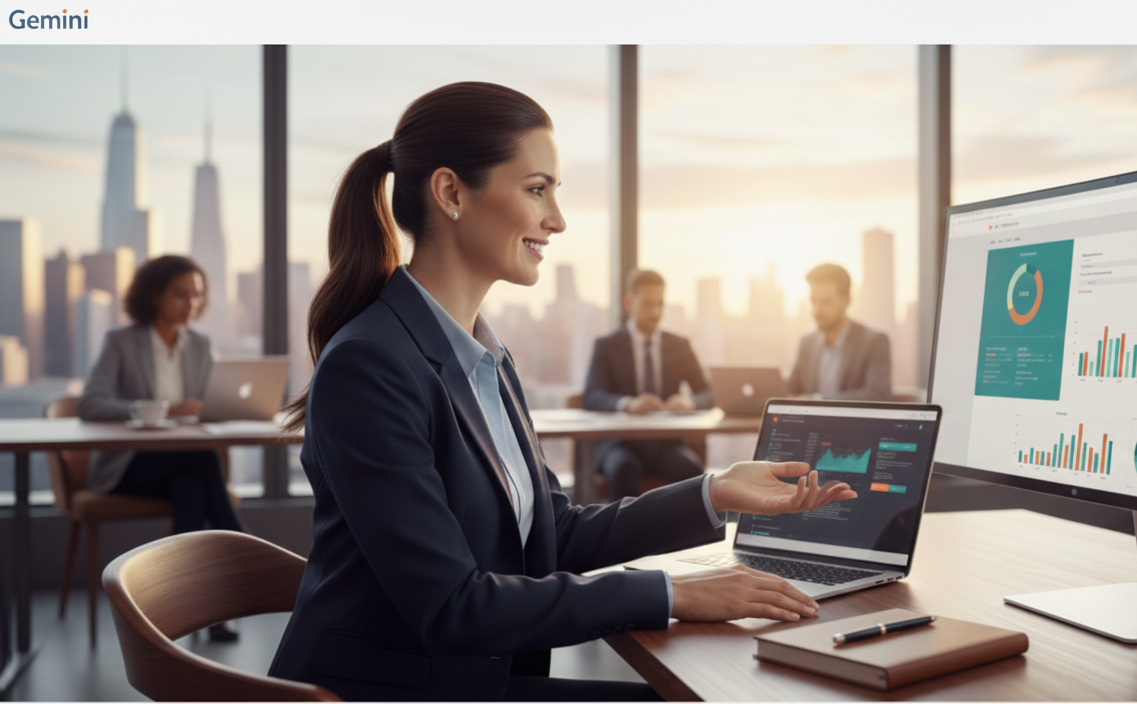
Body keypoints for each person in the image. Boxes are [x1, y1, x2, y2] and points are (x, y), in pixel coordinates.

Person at [267, 82, 857, 702]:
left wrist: (713, 493)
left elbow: (554, 533)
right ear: (450, 194)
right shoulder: (371, 365)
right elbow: (450, 606)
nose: (557, 219)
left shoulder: (484, 355)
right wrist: (671, 594)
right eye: (536, 189)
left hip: (478, 677)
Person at [76, 254, 244, 642]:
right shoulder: (121, 341)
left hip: (182, 466)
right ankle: (239, 549)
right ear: (155, 296)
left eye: (197, 296)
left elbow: (212, 402)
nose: (191, 304)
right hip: (129, 468)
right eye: (181, 295)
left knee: (191, 485)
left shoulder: (200, 345)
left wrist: (219, 408)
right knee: (200, 461)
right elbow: (90, 403)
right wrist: (161, 410)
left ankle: (191, 607)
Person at [582, 269, 713, 500]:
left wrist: (688, 402)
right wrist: (628, 404)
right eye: (648, 304)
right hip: (620, 444)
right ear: (629, 303)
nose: (655, 312)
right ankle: (626, 536)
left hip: (666, 444)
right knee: (623, 468)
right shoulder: (607, 346)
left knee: (691, 470)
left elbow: (708, 393)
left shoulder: (680, 345)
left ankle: (684, 536)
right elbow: (592, 395)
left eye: (660, 304)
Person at [787, 263, 894, 401]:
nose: (817, 311)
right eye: (813, 302)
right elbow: (791, 391)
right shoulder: (807, 342)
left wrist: (817, 401)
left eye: (826, 302)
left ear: (847, 300)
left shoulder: (875, 342)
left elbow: (878, 394)